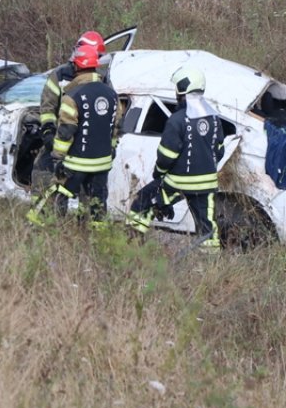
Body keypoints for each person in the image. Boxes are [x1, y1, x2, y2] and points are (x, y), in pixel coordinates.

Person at [126, 67, 225, 252]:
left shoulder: (177, 120)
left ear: (182, 90)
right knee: (207, 225)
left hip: (177, 183)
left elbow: (167, 155)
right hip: (207, 184)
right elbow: (219, 150)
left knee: (143, 200)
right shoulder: (214, 118)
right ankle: (210, 262)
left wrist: (158, 174)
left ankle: (133, 245)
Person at [26, 44, 120, 230]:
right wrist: (111, 149)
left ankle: (46, 227)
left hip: (76, 163)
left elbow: (66, 132)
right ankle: (97, 238)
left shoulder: (72, 96)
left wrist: (57, 158)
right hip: (102, 164)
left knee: (56, 193)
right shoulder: (112, 95)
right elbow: (115, 128)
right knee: (97, 204)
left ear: (77, 67)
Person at [35, 31, 107, 181]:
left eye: (98, 56)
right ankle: (43, 202)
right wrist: (48, 131)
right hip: (61, 135)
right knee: (42, 171)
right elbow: (48, 106)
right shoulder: (60, 75)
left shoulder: (102, 78)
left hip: (87, 140)